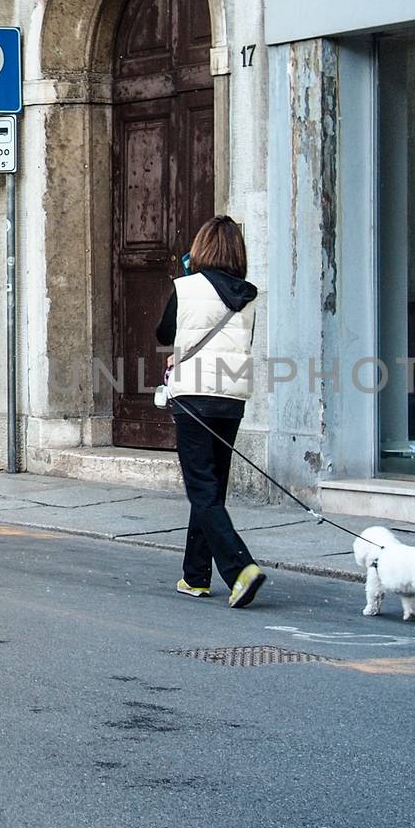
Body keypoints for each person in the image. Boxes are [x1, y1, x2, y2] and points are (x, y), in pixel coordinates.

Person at [155, 215, 266, 608]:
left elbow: (164, 334)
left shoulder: (185, 287)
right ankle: (195, 576)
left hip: (193, 396)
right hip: (231, 397)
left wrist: (185, 282)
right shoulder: (249, 296)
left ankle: (241, 569)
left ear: (200, 248)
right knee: (212, 487)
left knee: (202, 487)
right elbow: (243, 341)